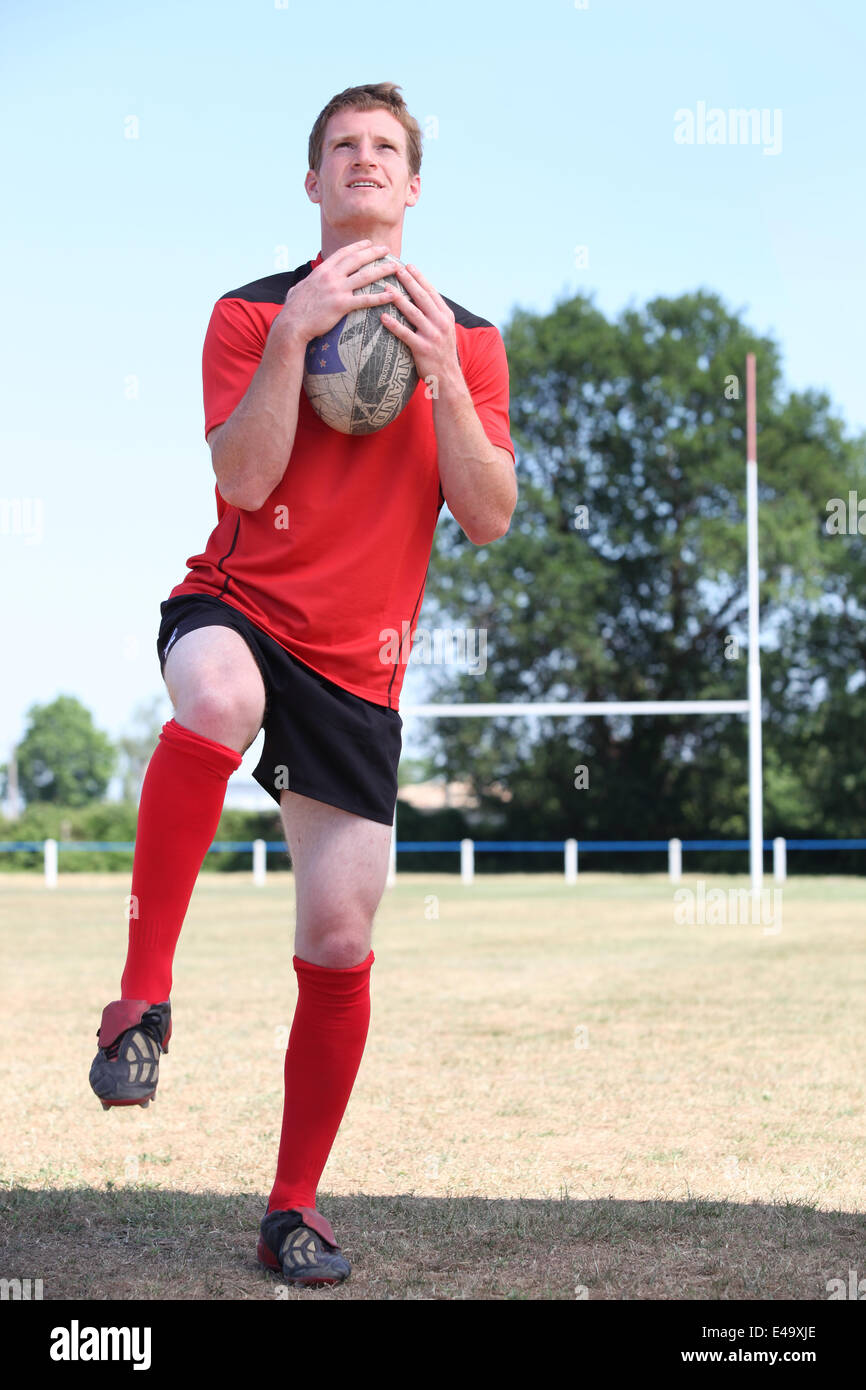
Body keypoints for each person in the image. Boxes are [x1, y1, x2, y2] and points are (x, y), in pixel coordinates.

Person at [88, 81, 516, 1287]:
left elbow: (486, 518)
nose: (364, 162)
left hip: (356, 673)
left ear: (414, 185)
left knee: (338, 933)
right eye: (342, 148)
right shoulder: (247, 311)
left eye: (385, 148)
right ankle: (139, 1005)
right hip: (240, 607)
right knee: (214, 699)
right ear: (314, 183)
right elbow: (240, 476)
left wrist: (436, 374)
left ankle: (291, 1209)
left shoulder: (469, 339)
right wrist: (292, 338)